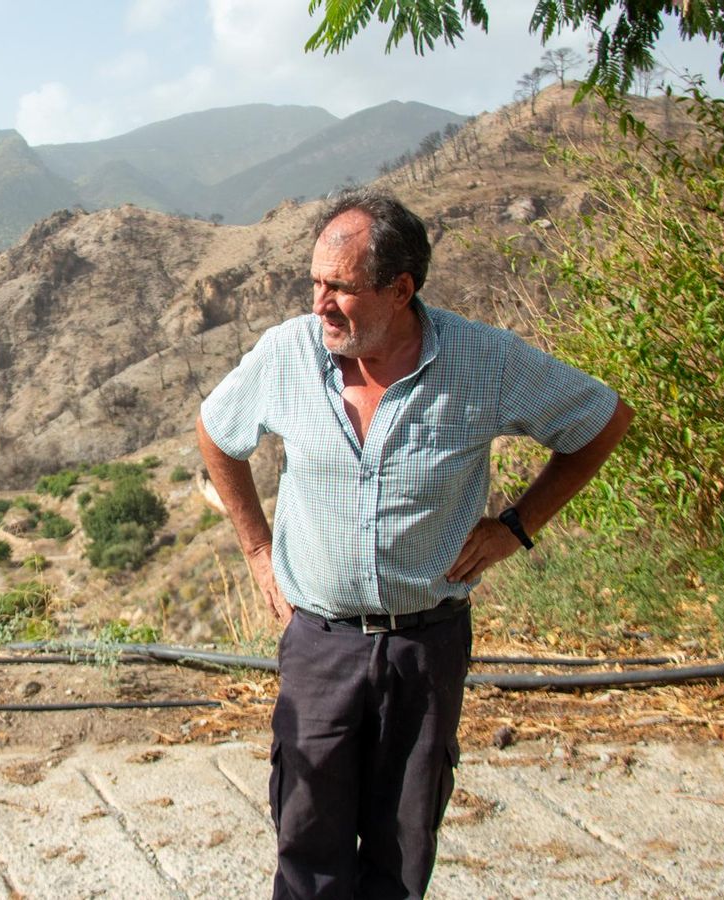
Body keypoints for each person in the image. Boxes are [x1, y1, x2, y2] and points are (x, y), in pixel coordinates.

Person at [197, 188, 632, 899]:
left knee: (402, 851)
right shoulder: (288, 355)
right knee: (306, 845)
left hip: (425, 646)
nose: (321, 304)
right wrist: (255, 549)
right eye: (316, 283)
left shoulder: (483, 361)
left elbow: (603, 422)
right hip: (321, 644)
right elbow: (217, 434)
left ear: (401, 290)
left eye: (341, 287)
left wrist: (515, 527)